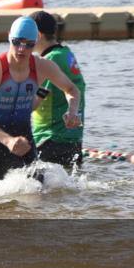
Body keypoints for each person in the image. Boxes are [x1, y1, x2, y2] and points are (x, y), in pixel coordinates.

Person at [0, 16, 82, 190]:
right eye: (17, 42)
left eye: (29, 44)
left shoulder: (43, 66)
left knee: (37, 197)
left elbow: (72, 90)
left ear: (36, 41)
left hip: (25, 141)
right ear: (9, 36)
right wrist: (8, 141)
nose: (22, 49)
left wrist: (73, 111)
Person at [30, 10, 87, 170]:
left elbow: (34, 103)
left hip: (49, 139)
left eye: (28, 35)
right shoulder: (66, 54)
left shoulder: (49, 61)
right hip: (73, 141)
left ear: (38, 35)